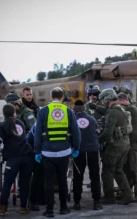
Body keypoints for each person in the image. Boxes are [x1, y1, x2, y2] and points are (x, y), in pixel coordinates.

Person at [34, 87, 81, 218]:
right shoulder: (68, 111)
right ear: (62, 97)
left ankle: (49, 210)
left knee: (48, 181)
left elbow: (37, 134)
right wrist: (76, 148)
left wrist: (37, 151)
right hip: (64, 152)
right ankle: (64, 208)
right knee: (62, 180)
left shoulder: (43, 111)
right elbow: (76, 133)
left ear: (51, 97)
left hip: (47, 152)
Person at [0, 103, 34, 216]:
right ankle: (24, 207)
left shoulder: (3, 125)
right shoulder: (20, 123)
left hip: (13, 158)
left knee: (8, 183)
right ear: (14, 113)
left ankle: (3, 208)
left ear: (4, 114)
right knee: (24, 183)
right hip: (27, 157)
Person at [98, 88, 135, 205]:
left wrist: (98, 140)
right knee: (118, 171)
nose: (102, 102)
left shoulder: (113, 111)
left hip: (115, 146)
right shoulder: (121, 109)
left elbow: (108, 133)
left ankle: (109, 197)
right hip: (124, 144)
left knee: (107, 171)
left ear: (107, 98)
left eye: (103, 100)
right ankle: (128, 195)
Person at [118, 85, 137, 197]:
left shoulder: (132, 107)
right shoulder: (132, 107)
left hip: (135, 142)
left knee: (136, 168)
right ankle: (130, 189)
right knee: (129, 167)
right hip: (131, 142)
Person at [72, 100, 102, 211]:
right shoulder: (92, 119)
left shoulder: (72, 120)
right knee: (94, 176)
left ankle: (77, 202)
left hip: (79, 151)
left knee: (78, 177)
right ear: (85, 109)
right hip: (93, 150)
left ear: (74, 110)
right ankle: (97, 202)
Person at [26, 123, 45, 211]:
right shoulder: (38, 125)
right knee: (38, 176)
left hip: (39, 151)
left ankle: (40, 199)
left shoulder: (38, 123)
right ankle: (33, 201)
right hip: (37, 152)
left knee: (40, 176)